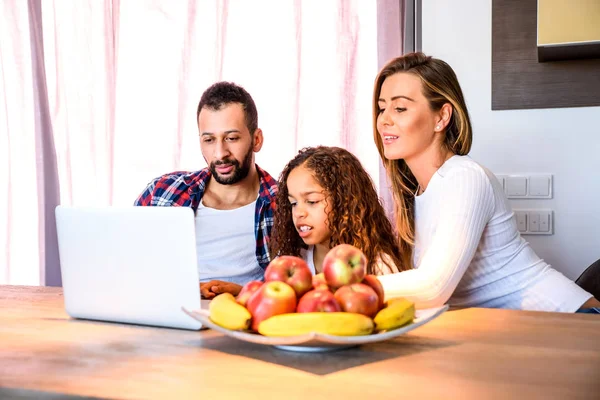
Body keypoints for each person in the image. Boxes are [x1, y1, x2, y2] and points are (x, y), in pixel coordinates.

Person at [371, 52, 600, 313]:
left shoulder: (465, 177)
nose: (384, 120)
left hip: (576, 322)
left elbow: (432, 288)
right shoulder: (419, 194)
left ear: (441, 117)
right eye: (381, 108)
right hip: (522, 332)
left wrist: (343, 288)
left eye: (399, 108)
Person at [135, 82, 278, 299]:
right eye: (209, 140)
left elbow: (299, 287)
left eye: (231, 138)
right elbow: (131, 265)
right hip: (168, 315)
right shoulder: (161, 193)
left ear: (256, 140)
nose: (220, 153)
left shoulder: (284, 205)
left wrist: (243, 294)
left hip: (242, 320)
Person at [270, 146, 405, 275]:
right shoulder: (291, 262)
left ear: (345, 202)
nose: (299, 212)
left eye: (312, 201)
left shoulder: (377, 266)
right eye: (293, 203)